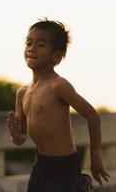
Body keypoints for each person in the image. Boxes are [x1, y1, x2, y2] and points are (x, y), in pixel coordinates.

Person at [7, 18, 110, 192]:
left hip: (64, 165)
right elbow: (21, 139)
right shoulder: (22, 94)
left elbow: (93, 116)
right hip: (40, 164)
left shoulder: (58, 86)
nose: (31, 48)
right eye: (29, 43)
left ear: (56, 56)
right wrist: (15, 135)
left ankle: (80, 184)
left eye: (40, 45)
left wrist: (95, 156)